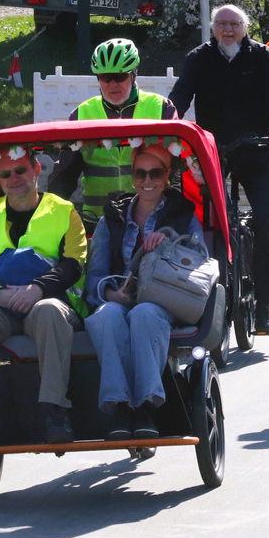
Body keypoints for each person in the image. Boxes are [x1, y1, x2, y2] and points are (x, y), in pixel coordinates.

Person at [0, 147, 88, 449]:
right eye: (6, 174)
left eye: (21, 170)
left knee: (50, 310)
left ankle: (55, 411)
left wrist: (36, 289)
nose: (14, 178)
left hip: (50, 301)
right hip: (3, 308)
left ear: (36, 170)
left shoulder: (64, 211)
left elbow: (73, 263)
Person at [168, 4, 269, 335]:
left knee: (263, 220)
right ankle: (205, 296)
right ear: (213, 28)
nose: (228, 30)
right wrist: (168, 125)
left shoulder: (262, 56)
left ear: (244, 27)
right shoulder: (199, 58)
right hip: (214, 151)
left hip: (258, 149)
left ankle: (263, 306)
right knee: (209, 222)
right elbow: (180, 96)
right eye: (222, 24)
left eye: (234, 24)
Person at [83, 144, 204, 439]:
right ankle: (119, 404)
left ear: (167, 175)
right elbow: (95, 275)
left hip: (164, 298)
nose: (147, 180)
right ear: (132, 175)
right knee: (106, 315)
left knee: (144, 313)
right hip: (120, 296)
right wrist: (111, 295)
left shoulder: (182, 214)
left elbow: (200, 259)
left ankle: (146, 406)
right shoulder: (112, 218)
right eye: (140, 173)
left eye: (155, 173)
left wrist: (169, 241)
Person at [49, 38, 177, 230]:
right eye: (105, 77)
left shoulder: (161, 108)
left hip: (151, 220)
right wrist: (49, 214)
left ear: (133, 75)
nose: (113, 84)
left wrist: (177, 214)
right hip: (97, 221)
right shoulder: (81, 114)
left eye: (120, 76)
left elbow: (177, 168)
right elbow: (65, 174)